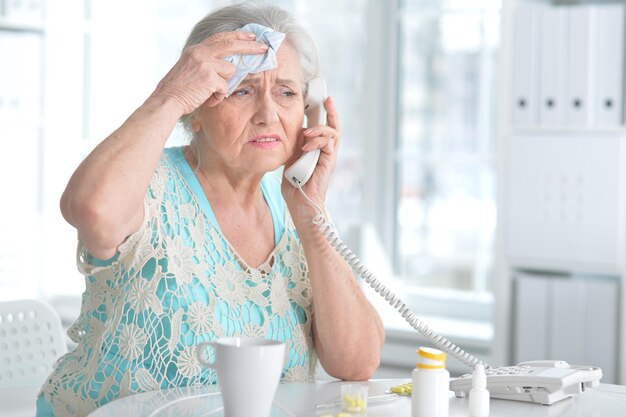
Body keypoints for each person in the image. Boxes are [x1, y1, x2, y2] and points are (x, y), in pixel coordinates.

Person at [37, 3, 384, 417]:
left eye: (287, 92)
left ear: (310, 109)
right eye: (243, 90)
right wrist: (170, 95)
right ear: (197, 110)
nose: (268, 115)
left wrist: (312, 217)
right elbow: (93, 211)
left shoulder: (296, 210)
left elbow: (357, 362)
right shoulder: (148, 181)